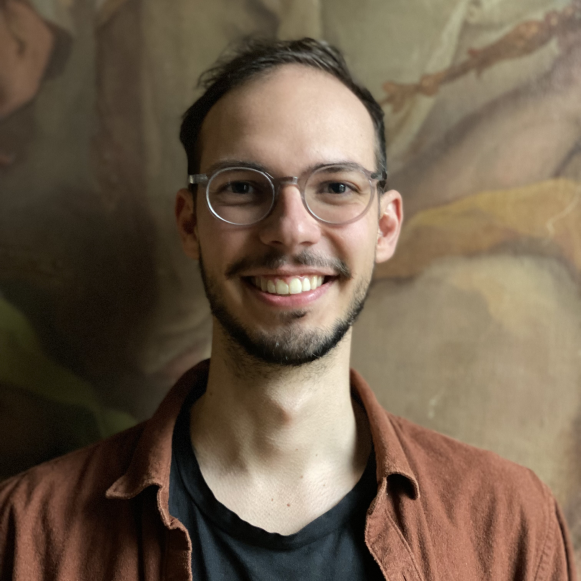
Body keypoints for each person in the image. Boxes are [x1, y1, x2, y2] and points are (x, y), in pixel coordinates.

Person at [0, 37, 576, 580]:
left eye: (337, 187)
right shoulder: (28, 533)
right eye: (242, 187)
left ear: (385, 226)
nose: (291, 229)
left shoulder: (510, 527)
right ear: (190, 223)